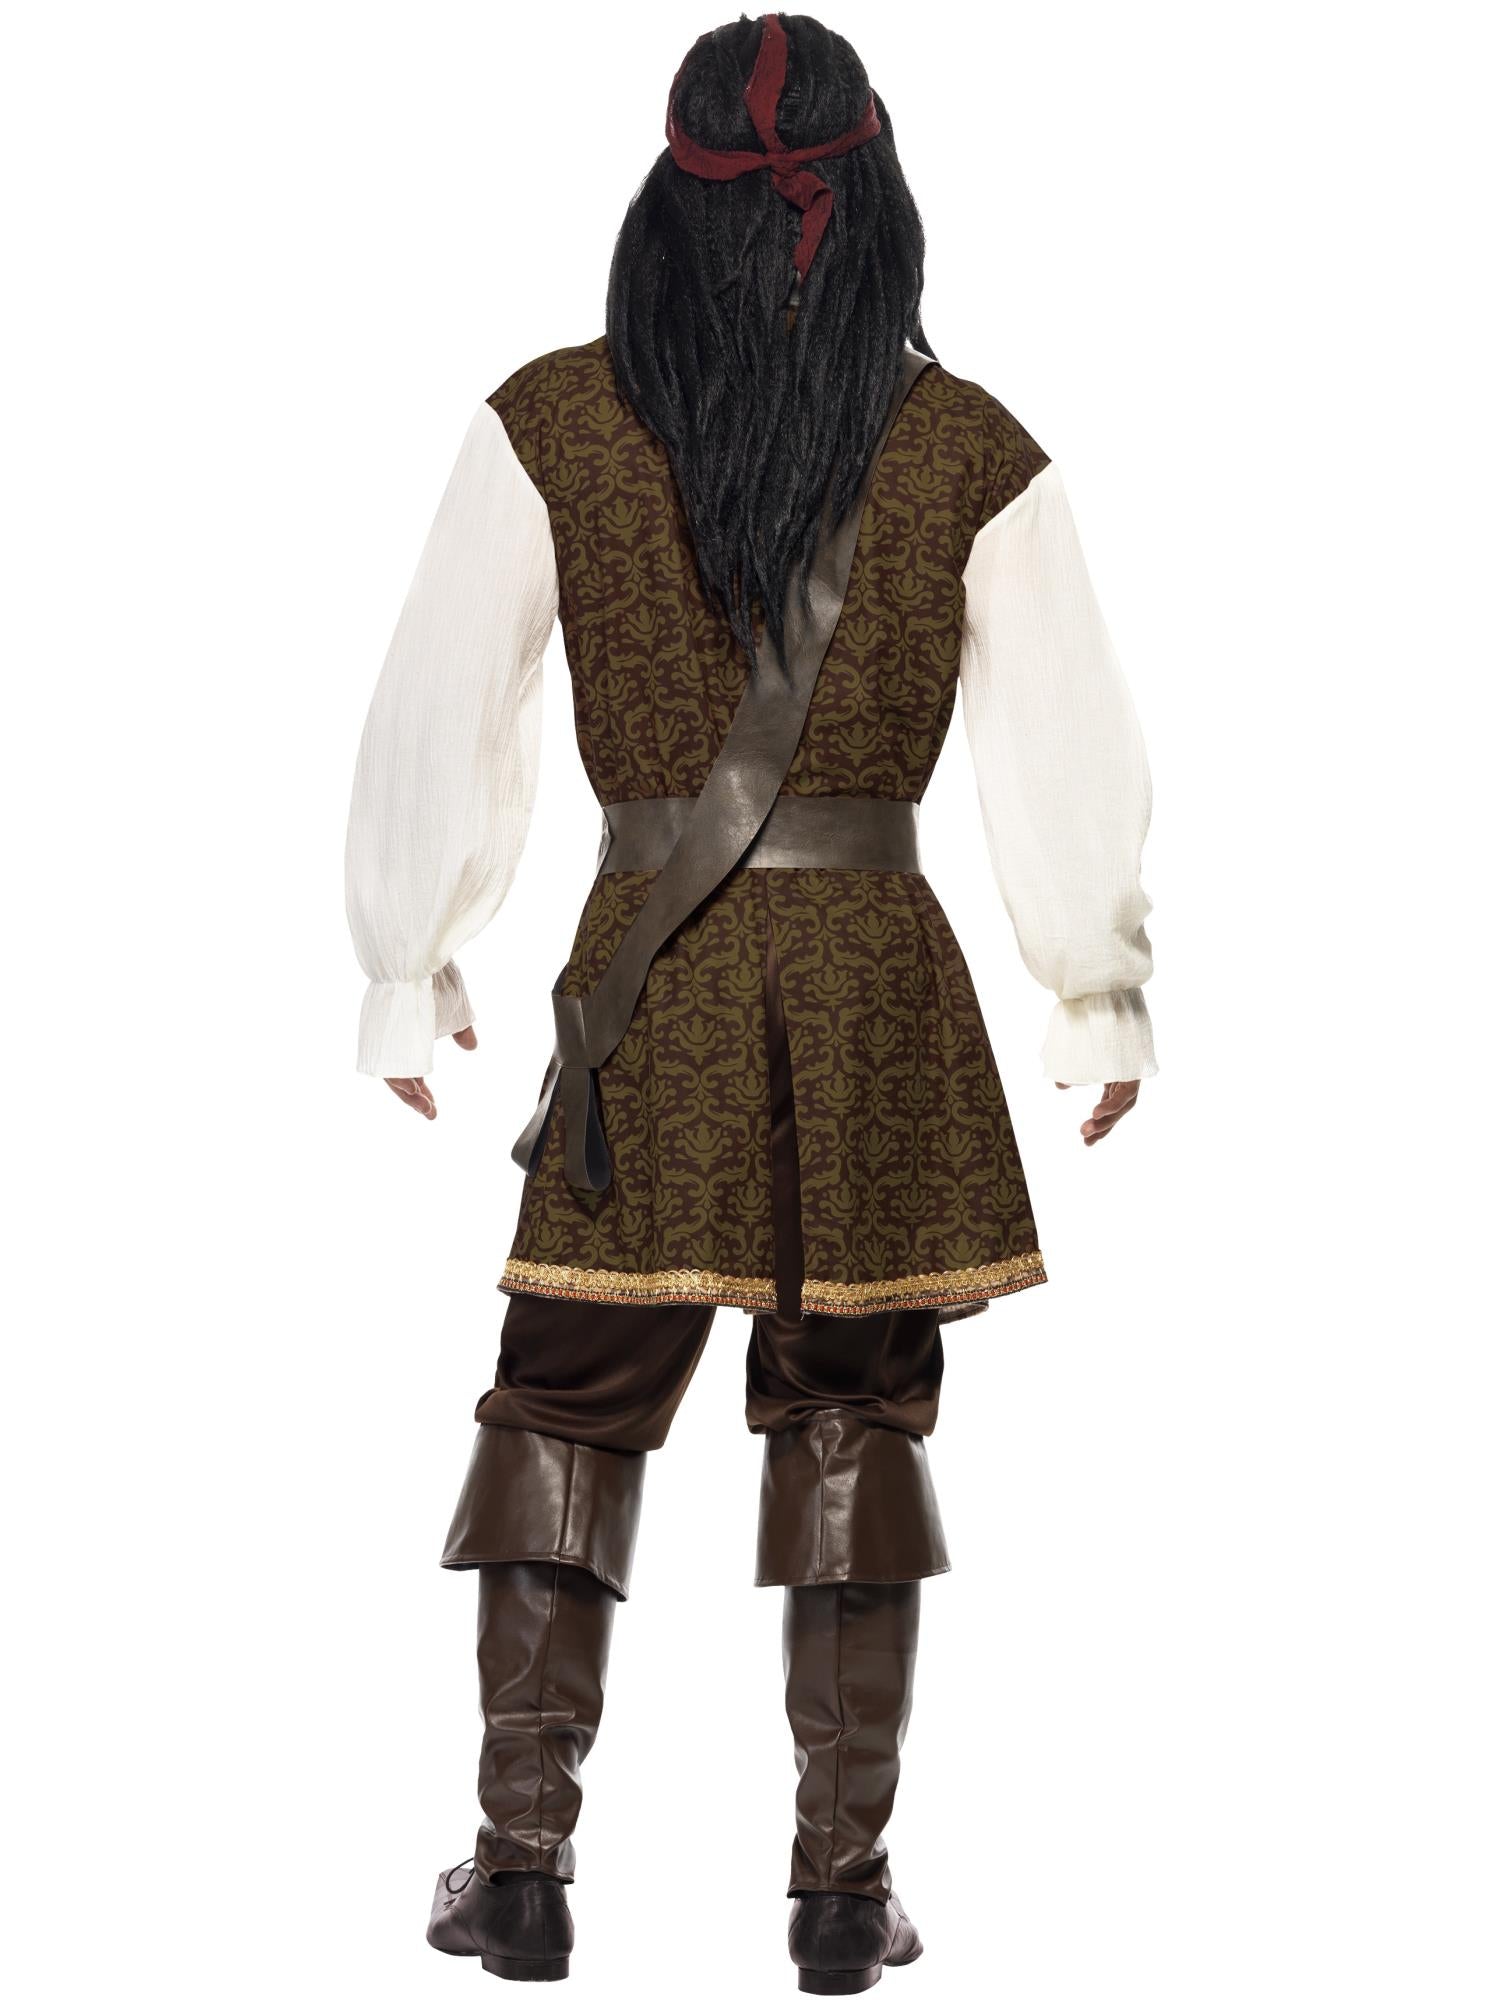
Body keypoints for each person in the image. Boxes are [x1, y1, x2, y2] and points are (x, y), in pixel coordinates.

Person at [344, 13, 1156, 1989]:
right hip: (875, 986)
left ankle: (519, 1864)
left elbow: (444, 698)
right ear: (874, 196)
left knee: (566, 1395)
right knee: (853, 1409)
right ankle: (840, 1895)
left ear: (666, 192)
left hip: (651, 977)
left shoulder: (548, 419)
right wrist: (1096, 987)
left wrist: (408, 956)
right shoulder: (971, 445)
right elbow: (1065, 740)